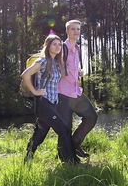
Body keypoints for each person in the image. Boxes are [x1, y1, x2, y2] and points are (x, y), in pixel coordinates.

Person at [23, 34, 79, 164]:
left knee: (40, 134)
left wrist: (78, 71)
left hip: (52, 104)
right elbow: (25, 75)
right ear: (48, 46)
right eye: (54, 44)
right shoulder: (42, 61)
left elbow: (66, 75)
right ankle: (72, 161)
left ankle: (27, 160)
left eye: (59, 44)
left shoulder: (56, 63)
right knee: (64, 130)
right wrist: (35, 91)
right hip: (43, 104)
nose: (58, 46)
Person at [57, 19, 98, 158]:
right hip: (62, 93)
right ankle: (65, 157)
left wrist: (78, 72)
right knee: (65, 127)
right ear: (67, 31)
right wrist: (69, 73)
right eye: (73, 29)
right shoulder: (62, 47)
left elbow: (71, 67)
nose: (76, 32)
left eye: (78, 29)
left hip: (75, 91)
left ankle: (74, 145)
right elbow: (59, 68)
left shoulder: (77, 48)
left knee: (91, 117)